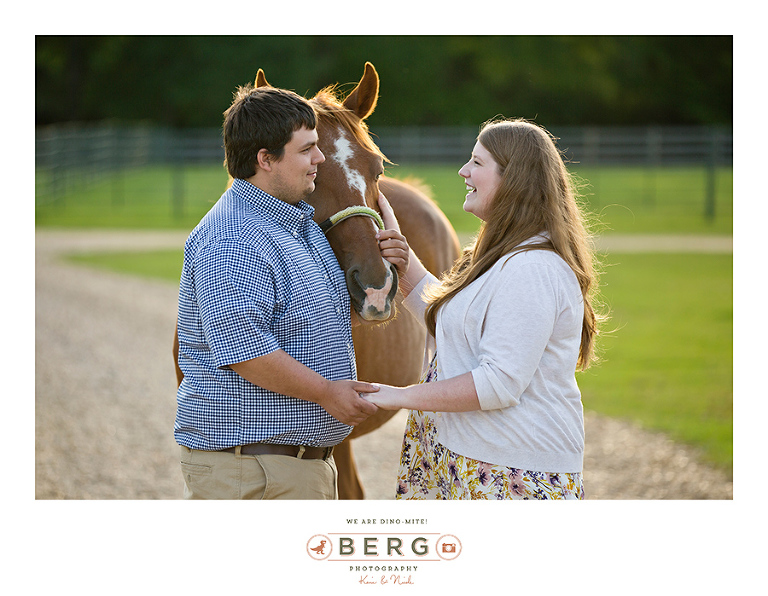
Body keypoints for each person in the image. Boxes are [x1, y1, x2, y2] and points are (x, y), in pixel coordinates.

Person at [371, 117, 602, 500]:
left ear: (513, 179)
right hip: (474, 461)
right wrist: (404, 259)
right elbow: (449, 324)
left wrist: (398, 395)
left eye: (477, 163)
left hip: (513, 473)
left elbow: (497, 384)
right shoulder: (501, 258)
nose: (463, 171)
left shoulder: (533, 268)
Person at [174, 83, 381, 499]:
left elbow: (318, 314)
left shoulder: (296, 225)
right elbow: (244, 349)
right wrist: (327, 393)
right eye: (306, 149)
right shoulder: (233, 239)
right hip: (254, 475)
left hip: (286, 469)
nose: (320, 159)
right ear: (265, 159)